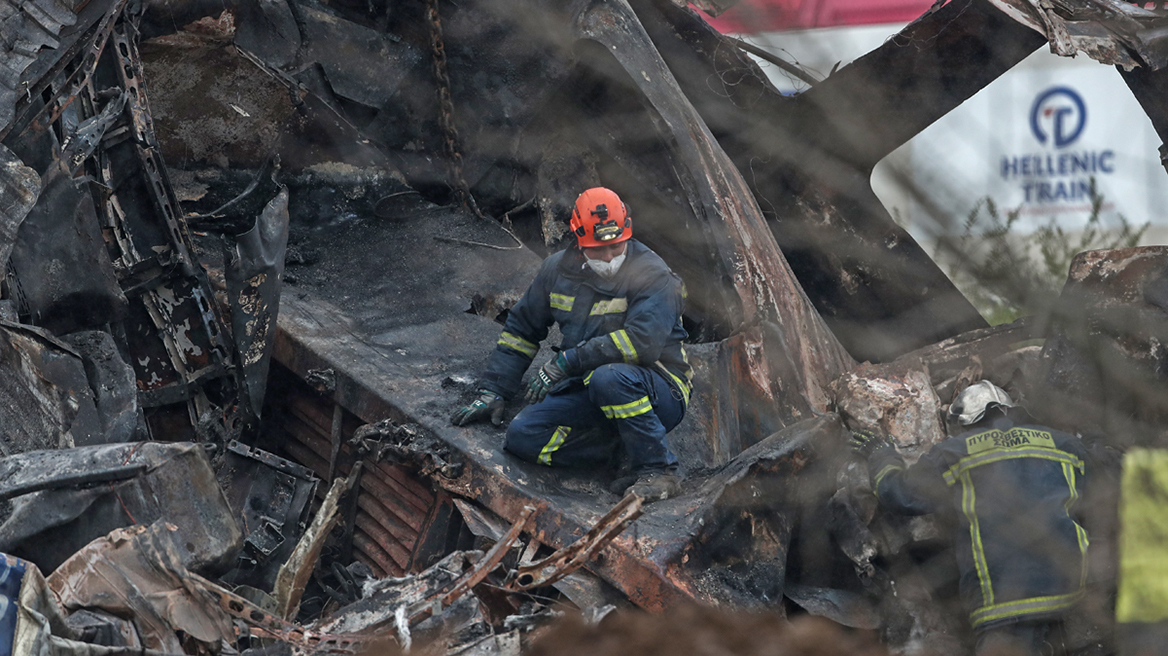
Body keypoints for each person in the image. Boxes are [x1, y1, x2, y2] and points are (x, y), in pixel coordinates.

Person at [450, 187, 693, 502]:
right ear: (578, 238)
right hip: (588, 385)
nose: (608, 258)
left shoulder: (653, 275)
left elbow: (641, 345)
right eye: (597, 249)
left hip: (657, 389)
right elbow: (522, 329)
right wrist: (495, 390)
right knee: (521, 436)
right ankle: (619, 453)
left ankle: (658, 470)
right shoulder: (557, 270)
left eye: (616, 247)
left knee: (610, 378)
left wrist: (565, 362)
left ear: (627, 234)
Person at [852, 380, 1089, 656]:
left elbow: (900, 494)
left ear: (964, 423)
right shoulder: (1064, 446)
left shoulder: (956, 451)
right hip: (1071, 598)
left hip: (1003, 604)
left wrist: (881, 455)